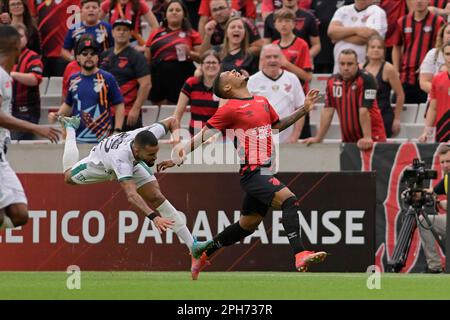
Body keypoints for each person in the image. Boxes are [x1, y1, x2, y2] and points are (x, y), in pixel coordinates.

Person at [158, 70, 326, 279]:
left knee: (248, 225)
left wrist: (304, 109)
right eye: (229, 73)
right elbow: (202, 137)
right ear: (227, 88)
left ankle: (202, 251)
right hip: (254, 173)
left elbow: (277, 126)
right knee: (289, 200)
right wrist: (176, 158)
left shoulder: (262, 101)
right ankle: (300, 254)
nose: (234, 71)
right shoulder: (229, 109)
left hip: (266, 170)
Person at [56, 113, 207, 280]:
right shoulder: (121, 158)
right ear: (137, 150)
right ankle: (70, 127)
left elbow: (172, 121)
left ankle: (193, 246)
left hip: (133, 163)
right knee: (68, 177)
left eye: (155, 153)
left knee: (155, 196)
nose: (155, 158)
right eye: (151, 155)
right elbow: (131, 195)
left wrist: (177, 150)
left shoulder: (149, 135)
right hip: (100, 166)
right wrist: (154, 218)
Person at [0, 25, 60, 231]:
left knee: (19, 215)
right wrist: (36, 128)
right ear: (15, 46)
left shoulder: (6, 76)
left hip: (1, 156)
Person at [304, 49, 387, 150]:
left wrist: (367, 137)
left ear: (357, 64)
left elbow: (364, 110)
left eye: (350, 64)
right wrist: (319, 138)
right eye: (342, 64)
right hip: (349, 141)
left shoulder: (367, 79)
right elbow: (327, 111)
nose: (346, 68)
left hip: (372, 139)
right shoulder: (332, 81)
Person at [49, 35, 125, 143]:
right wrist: (57, 115)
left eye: (92, 53)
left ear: (97, 57)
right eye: (84, 54)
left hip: (102, 140)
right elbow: (69, 104)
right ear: (78, 58)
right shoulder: (73, 79)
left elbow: (119, 104)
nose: (89, 56)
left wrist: (117, 130)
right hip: (77, 139)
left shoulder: (107, 78)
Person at [145, 0, 202, 106]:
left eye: (178, 10)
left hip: (181, 75)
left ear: (184, 15)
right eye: (171, 10)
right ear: (165, 14)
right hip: (158, 76)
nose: (174, 12)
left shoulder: (192, 34)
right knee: (160, 110)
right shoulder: (155, 33)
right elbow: (147, 58)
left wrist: (189, 53)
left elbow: (201, 58)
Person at [248, 44, 305, 144]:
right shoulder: (251, 81)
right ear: (261, 60)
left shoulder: (292, 79)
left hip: (287, 142)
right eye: (268, 57)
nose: (272, 60)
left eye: (276, 56)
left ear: (281, 58)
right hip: (260, 143)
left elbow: (301, 109)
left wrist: (294, 136)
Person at [100, 19, 151, 132]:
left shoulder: (137, 56)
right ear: (112, 32)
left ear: (131, 33)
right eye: (118, 29)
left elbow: (146, 84)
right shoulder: (104, 54)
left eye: (125, 30)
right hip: (104, 113)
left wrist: (135, 109)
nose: (121, 32)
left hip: (128, 113)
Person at [392, 0, 446, 104]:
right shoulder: (402, 21)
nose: (419, 1)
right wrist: (395, 69)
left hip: (428, 77)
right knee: (400, 111)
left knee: (425, 114)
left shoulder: (438, 21)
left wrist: (428, 64)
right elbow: (396, 46)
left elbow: (442, 47)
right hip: (406, 76)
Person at [328, 0, 387, 74]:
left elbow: (368, 39)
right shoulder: (342, 10)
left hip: (364, 69)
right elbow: (331, 32)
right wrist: (357, 30)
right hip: (340, 69)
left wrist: (340, 36)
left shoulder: (376, 11)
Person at [363, 35, 405, 138]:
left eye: (379, 47)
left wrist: (397, 119)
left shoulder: (388, 68)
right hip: (364, 117)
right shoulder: (361, 68)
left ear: (384, 51)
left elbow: (400, 95)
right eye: (372, 47)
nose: (376, 50)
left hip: (383, 116)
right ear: (367, 50)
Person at [418, 143, 449, 273]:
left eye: (448, 161)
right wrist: (415, 193)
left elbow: (439, 201)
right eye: (442, 162)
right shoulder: (447, 178)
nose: (445, 165)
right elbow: (431, 192)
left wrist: (441, 204)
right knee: (423, 220)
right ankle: (434, 267)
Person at [173, 49, 220, 136]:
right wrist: (175, 135)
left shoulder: (223, 86)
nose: (211, 65)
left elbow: (221, 117)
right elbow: (177, 114)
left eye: (214, 62)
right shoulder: (191, 83)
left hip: (216, 137)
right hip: (194, 137)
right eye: (207, 62)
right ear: (201, 66)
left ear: (220, 65)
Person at [28, 0, 80, 77]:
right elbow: (33, 21)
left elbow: (78, 21)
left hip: (64, 54)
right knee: (43, 87)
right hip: (43, 55)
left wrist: (74, 46)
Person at [10, 23, 43, 140]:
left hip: (26, 112)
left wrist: (13, 75)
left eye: (21, 36)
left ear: (27, 39)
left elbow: (35, 79)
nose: (18, 39)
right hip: (8, 110)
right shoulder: (6, 57)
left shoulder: (32, 57)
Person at [310, 0, 354, 73]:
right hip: (320, 53)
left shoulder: (350, 2)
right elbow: (311, 16)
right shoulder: (315, 2)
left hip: (342, 52)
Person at [419, 41, 450, 143]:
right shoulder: (437, 79)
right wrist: (426, 132)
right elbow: (433, 108)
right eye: (447, 54)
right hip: (442, 130)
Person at [419, 23, 450, 95]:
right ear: (442, 36)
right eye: (448, 32)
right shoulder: (433, 54)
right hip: (437, 101)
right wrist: (443, 92)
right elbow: (424, 82)